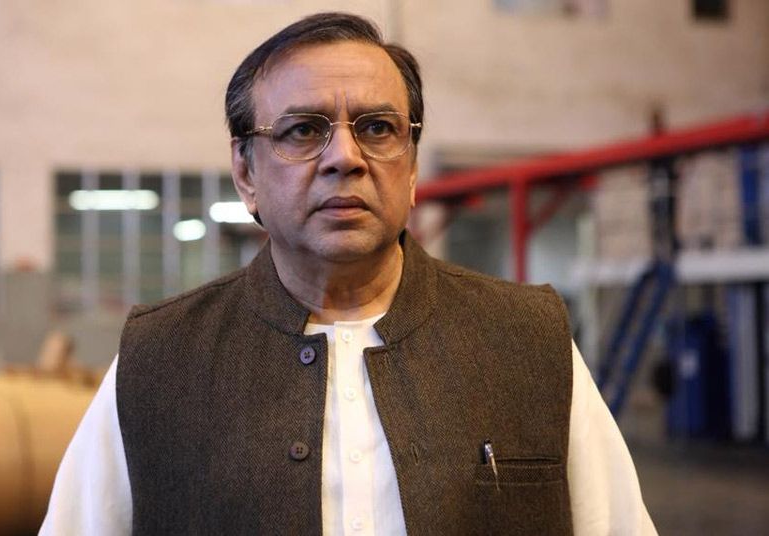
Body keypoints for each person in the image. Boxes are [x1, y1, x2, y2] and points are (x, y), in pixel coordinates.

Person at [40, 12, 657, 535]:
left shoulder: (526, 341)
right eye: (303, 130)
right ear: (246, 172)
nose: (345, 157)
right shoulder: (160, 361)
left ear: (411, 168)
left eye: (378, 128)